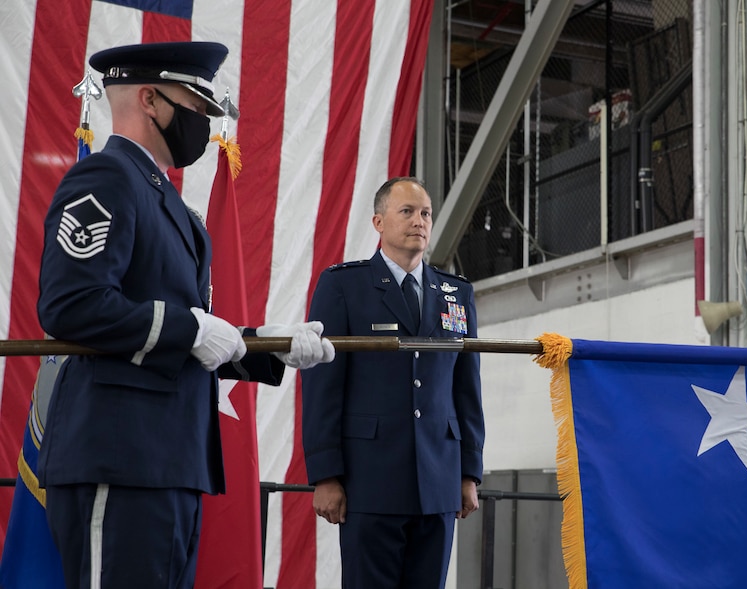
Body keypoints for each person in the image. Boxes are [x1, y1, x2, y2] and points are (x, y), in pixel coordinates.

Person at [36, 41, 335, 589]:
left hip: (169, 461)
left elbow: (191, 332)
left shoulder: (170, 205)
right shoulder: (106, 178)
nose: (205, 122)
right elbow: (69, 305)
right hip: (119, 456)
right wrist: (190, 328)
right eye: (197, 106)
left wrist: (264, 344)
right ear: (150, 100)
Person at [301, 177, 485, 588]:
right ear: (379, 222)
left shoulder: (455, 294)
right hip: (370, 480)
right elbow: (322, 385)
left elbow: (466, 389)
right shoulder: (343, 286)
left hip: (439, 481)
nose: (419, 221)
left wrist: (469, 472)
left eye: (425, 213)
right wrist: (326, 474)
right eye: (407, 212)